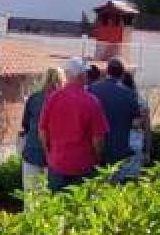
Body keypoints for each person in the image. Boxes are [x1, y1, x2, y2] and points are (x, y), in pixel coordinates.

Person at [38, 57, 109, 192]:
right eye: (85, 74)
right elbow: (98, 139)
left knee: (55, 208)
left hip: (57, 163)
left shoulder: (53, 98)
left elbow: (42, 131)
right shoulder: (92, 101)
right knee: (80, 209)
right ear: (81, 76)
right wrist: (98, 158)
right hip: (83, 165)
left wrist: (49, 154)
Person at [87, 59, 142, 173]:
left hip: (93, 147)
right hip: (119, 148)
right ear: (122, 74)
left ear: (107, 71)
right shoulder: (129, 94)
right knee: (114, 186)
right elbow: (137, 123)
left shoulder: (92, 89)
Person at [19, 66, 65, 192]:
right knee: (49, 198)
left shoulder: (34, 98)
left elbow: (25, 125)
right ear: (62, 80)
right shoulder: (63, 101)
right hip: (54, 156)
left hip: (32, 152)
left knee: (30, 196)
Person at [117, 71, 151, 181]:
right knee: (132, 181)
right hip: (137, 143)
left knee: (118, 180)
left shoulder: (119, 100)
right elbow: (147, 129)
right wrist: (147, 151)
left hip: (120, 144)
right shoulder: (141, 102)